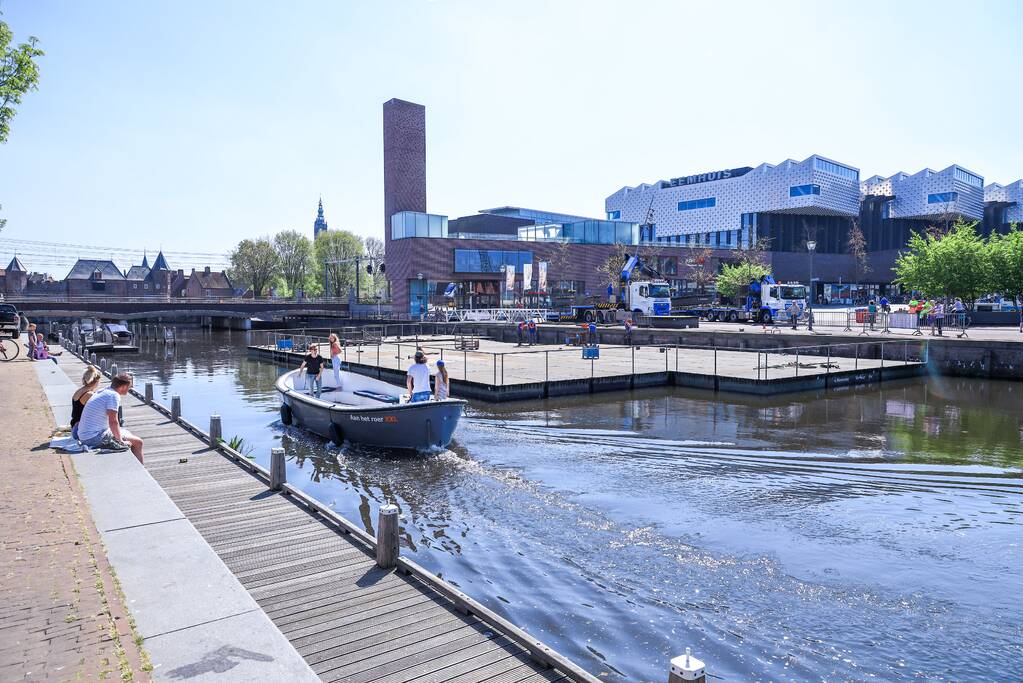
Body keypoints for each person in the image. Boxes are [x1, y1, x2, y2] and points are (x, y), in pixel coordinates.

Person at [77, 373, 144, 463]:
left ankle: (132, 463)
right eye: (130, 386)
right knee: (138, 442)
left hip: (85, 434)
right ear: (123, 386)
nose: (130, 389)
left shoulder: (104, 390)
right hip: (92, 438)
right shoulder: (113, 396)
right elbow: (113, 421)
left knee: (127, 433)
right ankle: (139, 471)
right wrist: (120, 441)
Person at [71, 366, 102, 440]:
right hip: (80, 431)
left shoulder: (79, 391)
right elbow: (100, 411)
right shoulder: (89, 395)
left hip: (75, 427)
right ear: (97, 381)